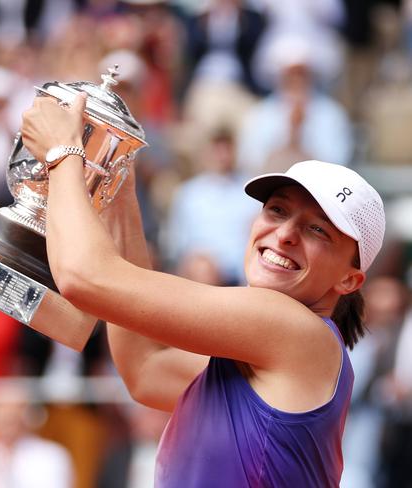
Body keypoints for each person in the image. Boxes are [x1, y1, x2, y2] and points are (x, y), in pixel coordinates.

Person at [20, 92, 386, 487]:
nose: (284, 235)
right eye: (277, 210)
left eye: (318, 230)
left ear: (349, 280)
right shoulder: (265, 357)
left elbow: (84, 277)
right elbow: (145, 369)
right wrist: (118, 187)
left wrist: (63, 152)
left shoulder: (292, 328)